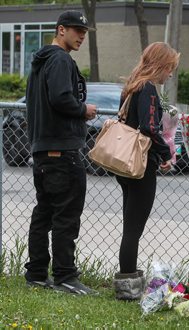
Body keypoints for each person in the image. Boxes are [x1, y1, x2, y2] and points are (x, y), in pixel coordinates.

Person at [24, 10, 97, 295]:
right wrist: (84, 110)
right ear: (61, 30)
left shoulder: (41, 62)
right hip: (62, 150)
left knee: (44, 213)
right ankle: (66, 276)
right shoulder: (60, 59)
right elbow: (61, 98)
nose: (81, 36)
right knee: (67, 215)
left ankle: (37, 273)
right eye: (77, 30)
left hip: (42, 150)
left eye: (85, 32)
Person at [113, 42, 180, 300]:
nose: (170, 74)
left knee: (130, 226)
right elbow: (149, 127)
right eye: (170, 68)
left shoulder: (132, 85)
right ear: (161, 65)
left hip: (124, 165)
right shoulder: (149, 87)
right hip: (140, 166)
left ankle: (127, 280)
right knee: (133, 230)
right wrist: (166, 153)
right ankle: (128, 287)